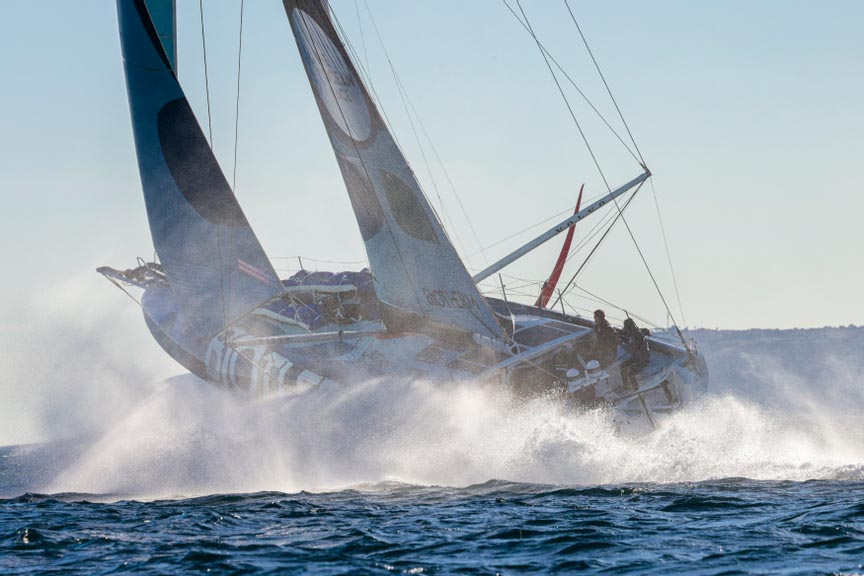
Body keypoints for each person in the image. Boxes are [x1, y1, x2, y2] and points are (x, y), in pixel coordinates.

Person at [620, 317, 649, 388]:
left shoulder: (636, 336)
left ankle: (636, 389)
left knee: (631, 373)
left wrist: (620, 342)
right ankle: (626, 385)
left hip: (643, 359)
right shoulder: (634, 334)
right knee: (622, 366)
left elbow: (631, 349)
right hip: (637, 357)